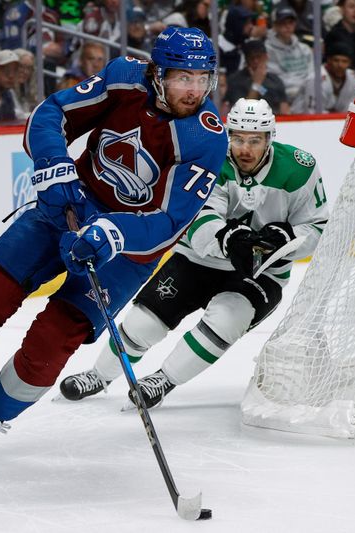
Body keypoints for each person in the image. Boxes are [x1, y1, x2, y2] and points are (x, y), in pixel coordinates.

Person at [0, 26, 228, 455]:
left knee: (54, 338)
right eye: (182, 78)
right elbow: (52, 113)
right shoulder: (123, 78)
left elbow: (172, 220)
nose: (193, 90)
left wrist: (113, 232)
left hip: (125, 251)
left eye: (201, 79)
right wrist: (55, 164)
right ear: (158, 72)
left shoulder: (207, 137)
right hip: (66, 209)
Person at [59, 98, 328, 409]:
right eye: (238, 138)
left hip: (261, 272)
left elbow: (317, 225)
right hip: (199, 260)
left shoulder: (298, 167)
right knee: (143, 322)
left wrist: (287, 240)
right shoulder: (210, 161)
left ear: (270, 137)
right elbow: (197, 216)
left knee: (229, 318)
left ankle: (164, 379)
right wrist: (228, 238)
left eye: (255, 140)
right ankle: (100, 374)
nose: (245, 148)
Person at [265, 6, 313, 114]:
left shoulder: (304, 49)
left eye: (291, 22)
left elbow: (312, 74)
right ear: (275, 26)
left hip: (306, 94)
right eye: (283, 23)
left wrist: (304, 88)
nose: (287, 27)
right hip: (283, 97)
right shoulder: (267, 50)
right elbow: (275, 78)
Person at [224, 40, 289, 115]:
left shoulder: (275, 80)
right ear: (246, 60)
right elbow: (244, 112)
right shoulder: (235, 81)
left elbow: (284, 109)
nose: (256, 61)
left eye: (259, 57)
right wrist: (257, 84)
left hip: (274, 121)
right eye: (252, 58)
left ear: (266, 57)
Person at [305, 41, 355, 113]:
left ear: (350, 63)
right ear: (329, 60)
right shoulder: (315, 78)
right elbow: (312, 112)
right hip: (301, 120)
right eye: (336, 60)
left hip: (337, 120)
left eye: (344, 61)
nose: (340, 65)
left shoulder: (353, 78)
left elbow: (351, 108)